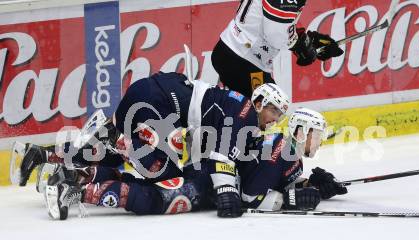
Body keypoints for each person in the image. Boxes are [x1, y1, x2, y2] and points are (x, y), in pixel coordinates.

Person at [14, 72, 290, 217]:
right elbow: (221, 157)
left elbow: (207, 146)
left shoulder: (234, 108)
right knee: (166, 179)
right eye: (274, 112)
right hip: (161, 103)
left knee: (114, 154)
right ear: (259, 103)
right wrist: (228, 191)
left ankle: (50, 158)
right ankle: (109, 155)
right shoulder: (245, 111)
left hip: (150, 92)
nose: (274, 119)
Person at [211, 0, 344, 97]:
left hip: (233, 52)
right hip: (244, 61)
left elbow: (271, 23)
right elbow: (275, 34)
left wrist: (308, 40)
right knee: (269, 109)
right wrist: (302, 46)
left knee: (242, 113)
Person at [238, 107, 348, 211]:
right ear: (301, 134)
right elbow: (249, 198)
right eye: (316, 136)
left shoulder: (291, 152)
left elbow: (277, 182)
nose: (320, 143)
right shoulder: (277, 152)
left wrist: (311, 184)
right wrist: (288, 200)